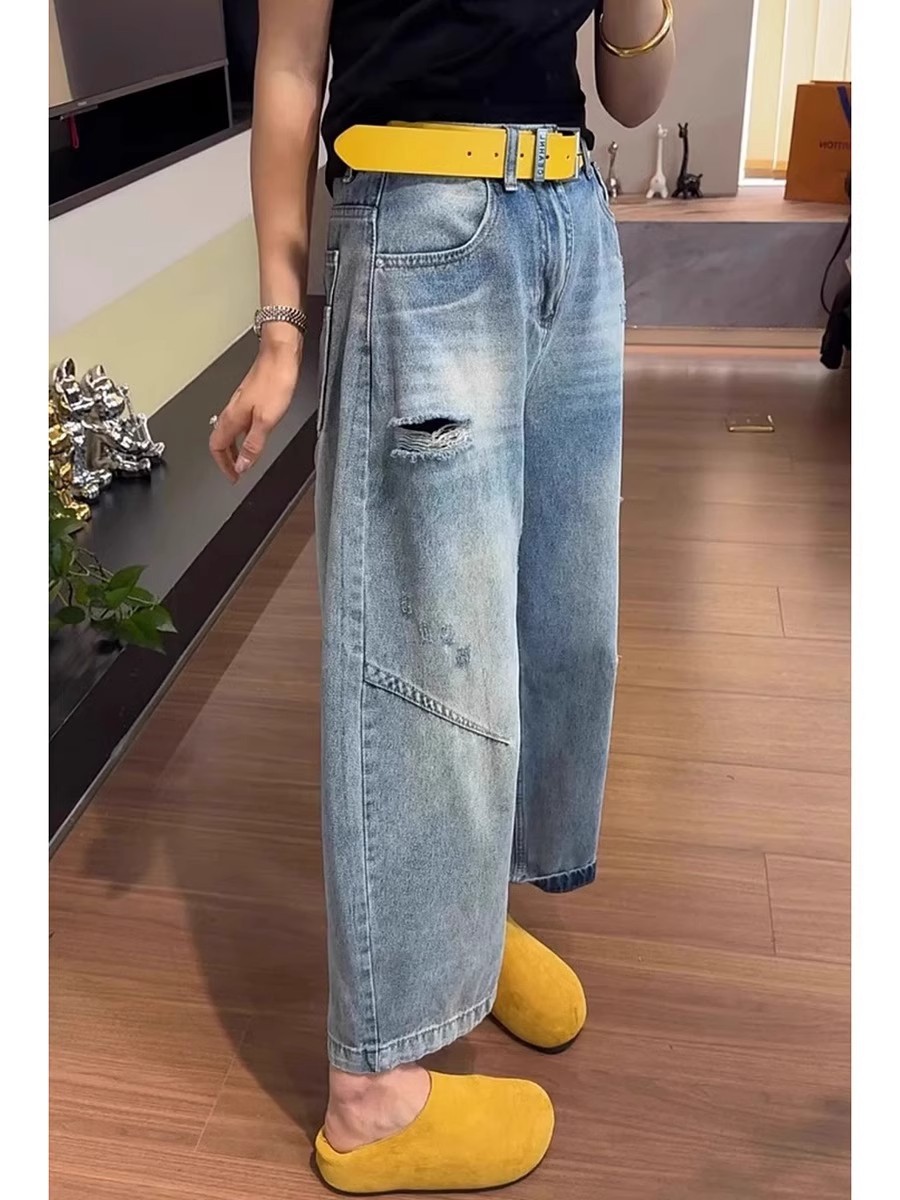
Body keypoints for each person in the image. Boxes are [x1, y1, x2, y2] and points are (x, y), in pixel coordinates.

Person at [210, 2, 675, 1192]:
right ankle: (372, 1099)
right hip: (424, 221)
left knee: (559, 623)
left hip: (570, 216)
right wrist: (279, 324)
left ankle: (473, 926)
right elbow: (290, 59)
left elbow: (635, 97)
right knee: (426, 644)